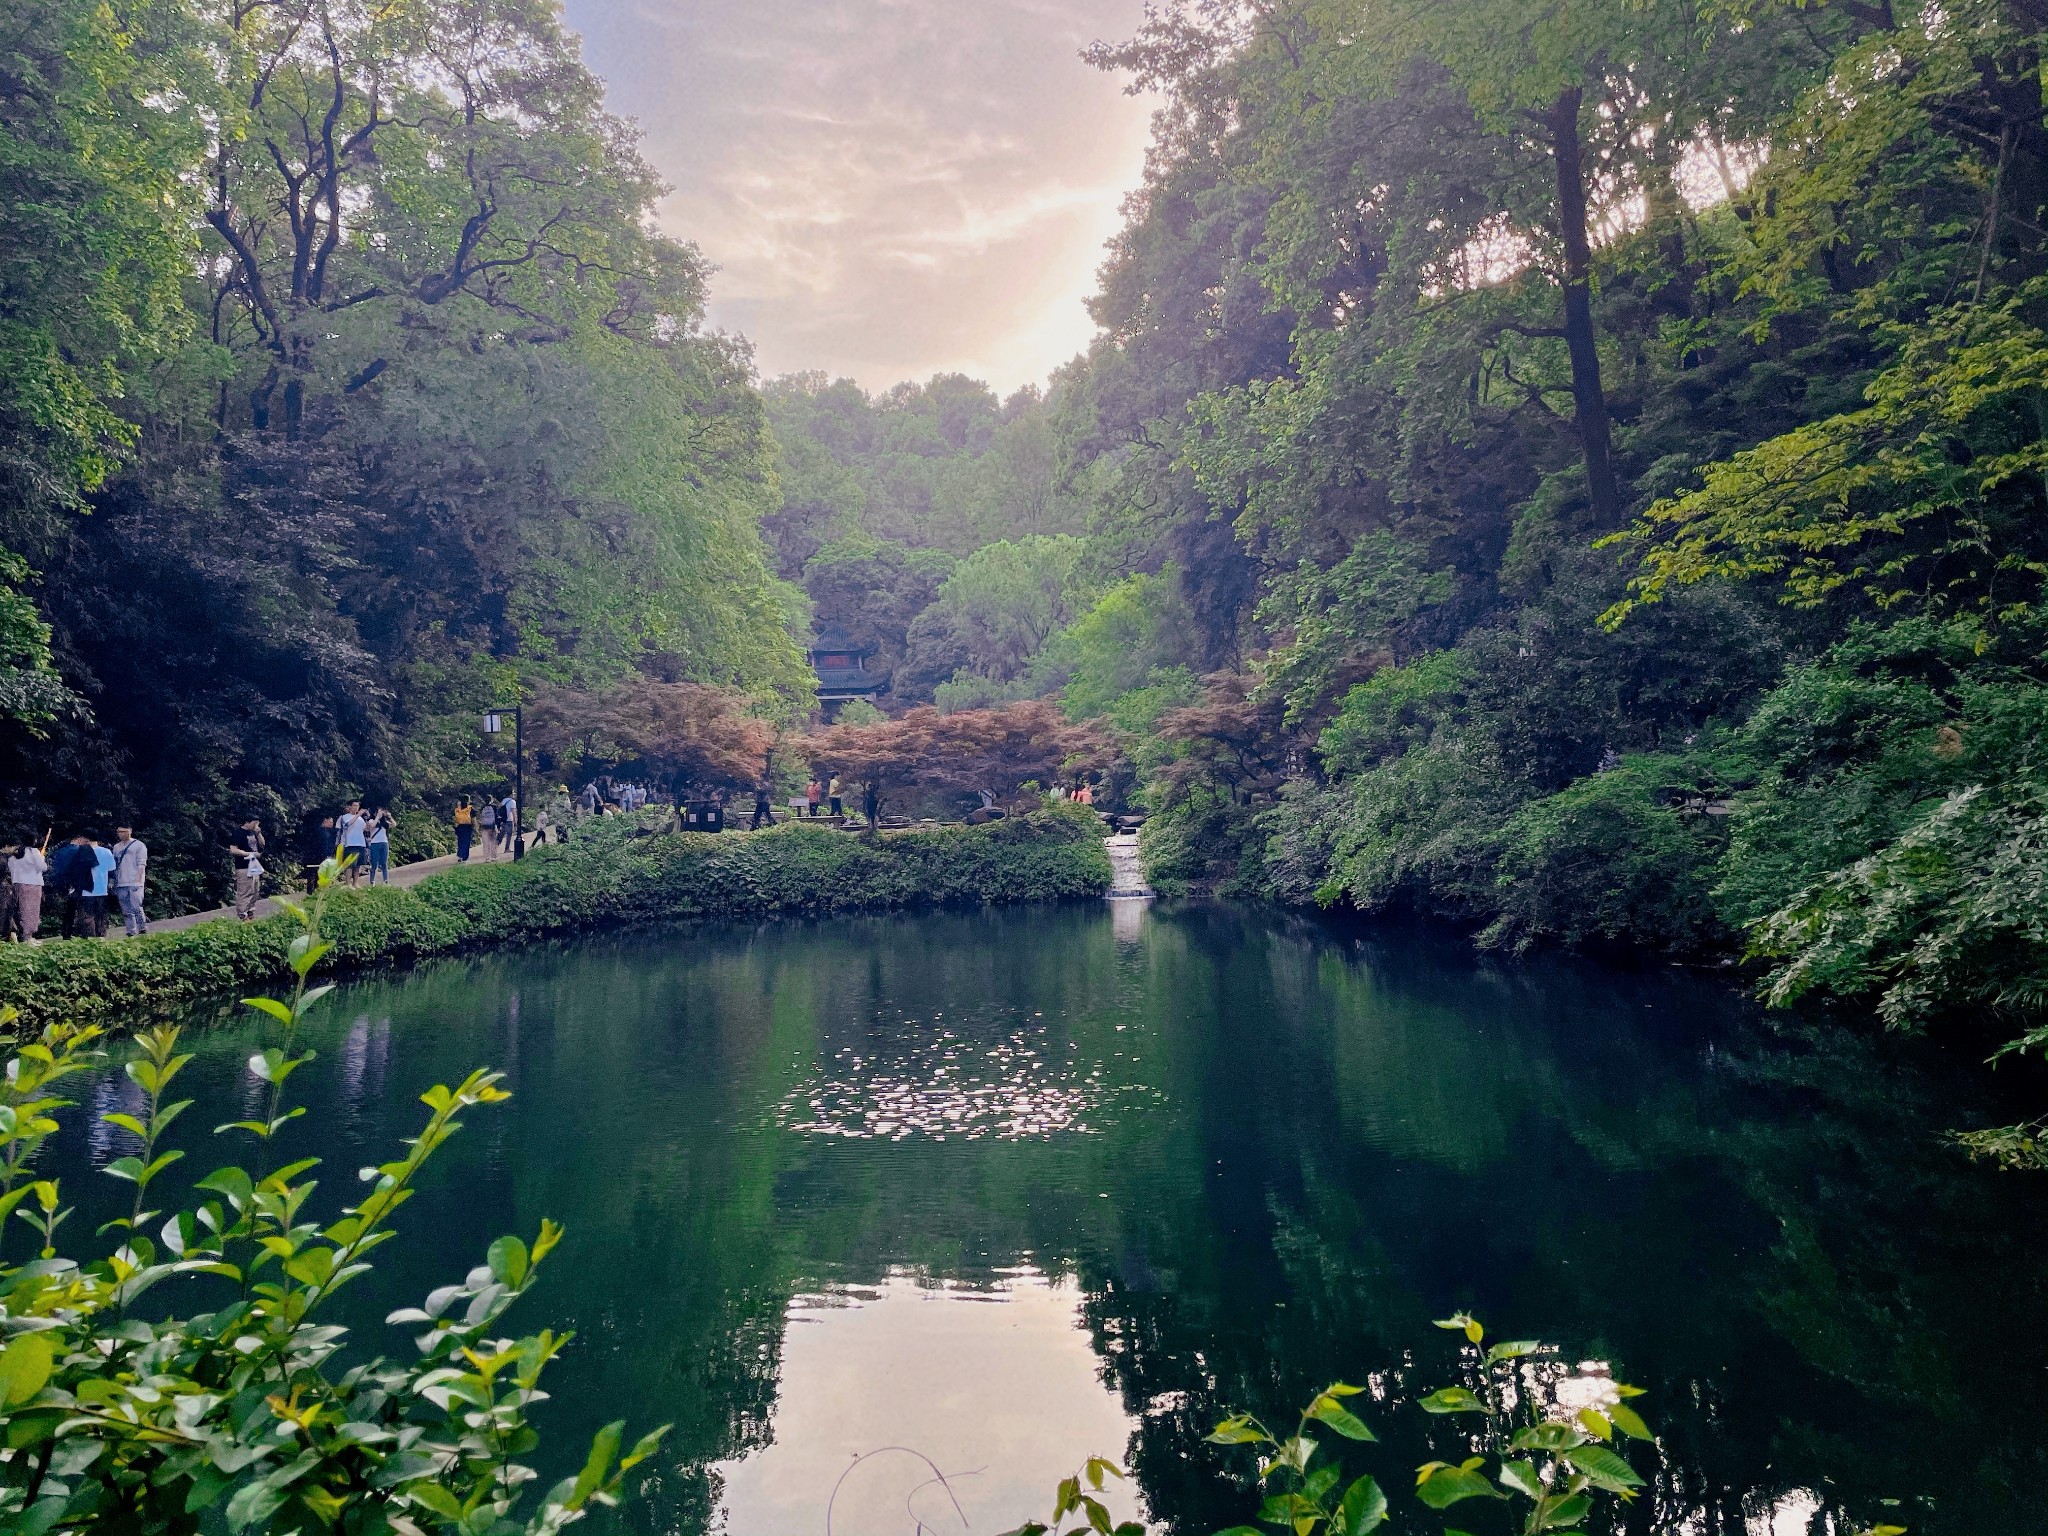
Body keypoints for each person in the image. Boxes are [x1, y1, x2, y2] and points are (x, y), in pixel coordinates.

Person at [111, 825, 149, 936]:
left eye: (124, 831)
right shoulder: (116, 847)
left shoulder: (139, 845)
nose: (121, 834)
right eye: (119, 832)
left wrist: (138, 879)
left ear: (130, 831)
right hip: (121, 882)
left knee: (137, 907)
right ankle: (130, 931)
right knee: (126, 910)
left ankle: (142, 928)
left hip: (134, 881)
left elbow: (142, 863)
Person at [228, 819, 265, 919]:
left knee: (255, 890)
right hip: (243, 866)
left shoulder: (254, 832)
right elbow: (233, 850)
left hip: (254, 864)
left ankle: (250, 911)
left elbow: (262, 845)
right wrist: (248, 854)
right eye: (255, 823)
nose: (256, 825)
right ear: (247, 822)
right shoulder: (238, 833)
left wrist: (259, 833)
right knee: (244, 891)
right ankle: (242, 914)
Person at [5, 838, 41, 942]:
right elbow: (43, 867)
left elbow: (11, 868)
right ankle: (28, 936)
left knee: (21, 910)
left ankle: (21, 935)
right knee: (31, 911)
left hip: (17, 882)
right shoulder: (33, 852)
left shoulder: (14, 853)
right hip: (33, 883)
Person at [336, 800, 368, 882]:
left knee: (358, 865)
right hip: (350, 843)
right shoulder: (345, 817)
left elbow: (366, 829)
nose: (356, 807)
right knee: (350, 865)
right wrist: (358, 815)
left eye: (357, 806)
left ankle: (355, 883)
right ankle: (348, 883)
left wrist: (370, 821)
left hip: (361, 843)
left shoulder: (361, 819)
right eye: (354, 805)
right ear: (350, 806)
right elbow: (348, 824)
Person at [304, 816, 335, 892]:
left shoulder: (326, 831)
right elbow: (322, 846)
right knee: (314, 874)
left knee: (316, 875)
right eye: (331, 822)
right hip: (318, 857)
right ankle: (313, 891)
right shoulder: (322, 832)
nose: (332, 824)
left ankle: (315, 890)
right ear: (325, 821)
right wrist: (325, 856)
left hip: (319, 856)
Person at [366, 807, 393, 883]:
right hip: (375, 843)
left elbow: (394, 824)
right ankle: (372, 880)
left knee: (384, 863)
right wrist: (377, 816)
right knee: (374, 863)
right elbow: (372, 825)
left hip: (384, 842)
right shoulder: (371, 820)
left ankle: (385, 880)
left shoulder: (384, 823)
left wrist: (389, 817)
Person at [453, 796, 474, 861]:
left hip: (460, 826)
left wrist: (455, 827)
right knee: (467, 842)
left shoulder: (457, 809)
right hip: (468, 827)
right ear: (468, 800)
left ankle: (460, 856)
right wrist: (476, 827)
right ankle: (465, 857)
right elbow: (473, 819)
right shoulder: (470, 808)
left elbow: (454, 819)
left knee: (460, 841)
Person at [477, 796, 498, 860]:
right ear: (491, 800)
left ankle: (487, 858)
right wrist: (497, 826)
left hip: (484, 826)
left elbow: (480, 817)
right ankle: (493, 856)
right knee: (493, 841)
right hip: (492, 826)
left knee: (486, 842)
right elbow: (496, 817)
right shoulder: (494, 807)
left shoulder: (482, 808)